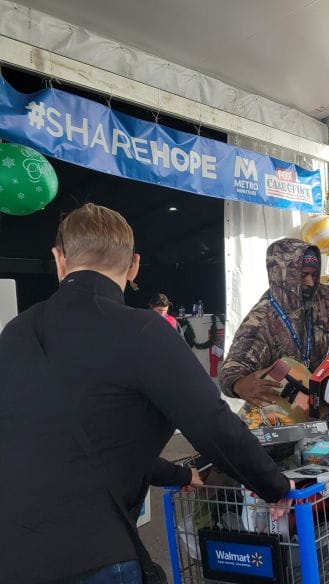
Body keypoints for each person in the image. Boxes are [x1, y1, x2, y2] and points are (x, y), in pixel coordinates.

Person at [0, 203, 291, 583]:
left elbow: (88, 444)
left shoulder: (16, 332)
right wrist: (275, 487)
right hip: (93, 555)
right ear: (133, 265)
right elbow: (213, 423)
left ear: (59, 259)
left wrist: (179, 473)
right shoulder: (142, 331)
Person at [220, 238, 329, 407]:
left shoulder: (323, 295)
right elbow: (232, 369)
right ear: (284, 275)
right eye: (303, 276)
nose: (311, 282)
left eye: (314, 275)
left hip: (316, 396)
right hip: (279, 409)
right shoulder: (261, 319)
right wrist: (238, 385)